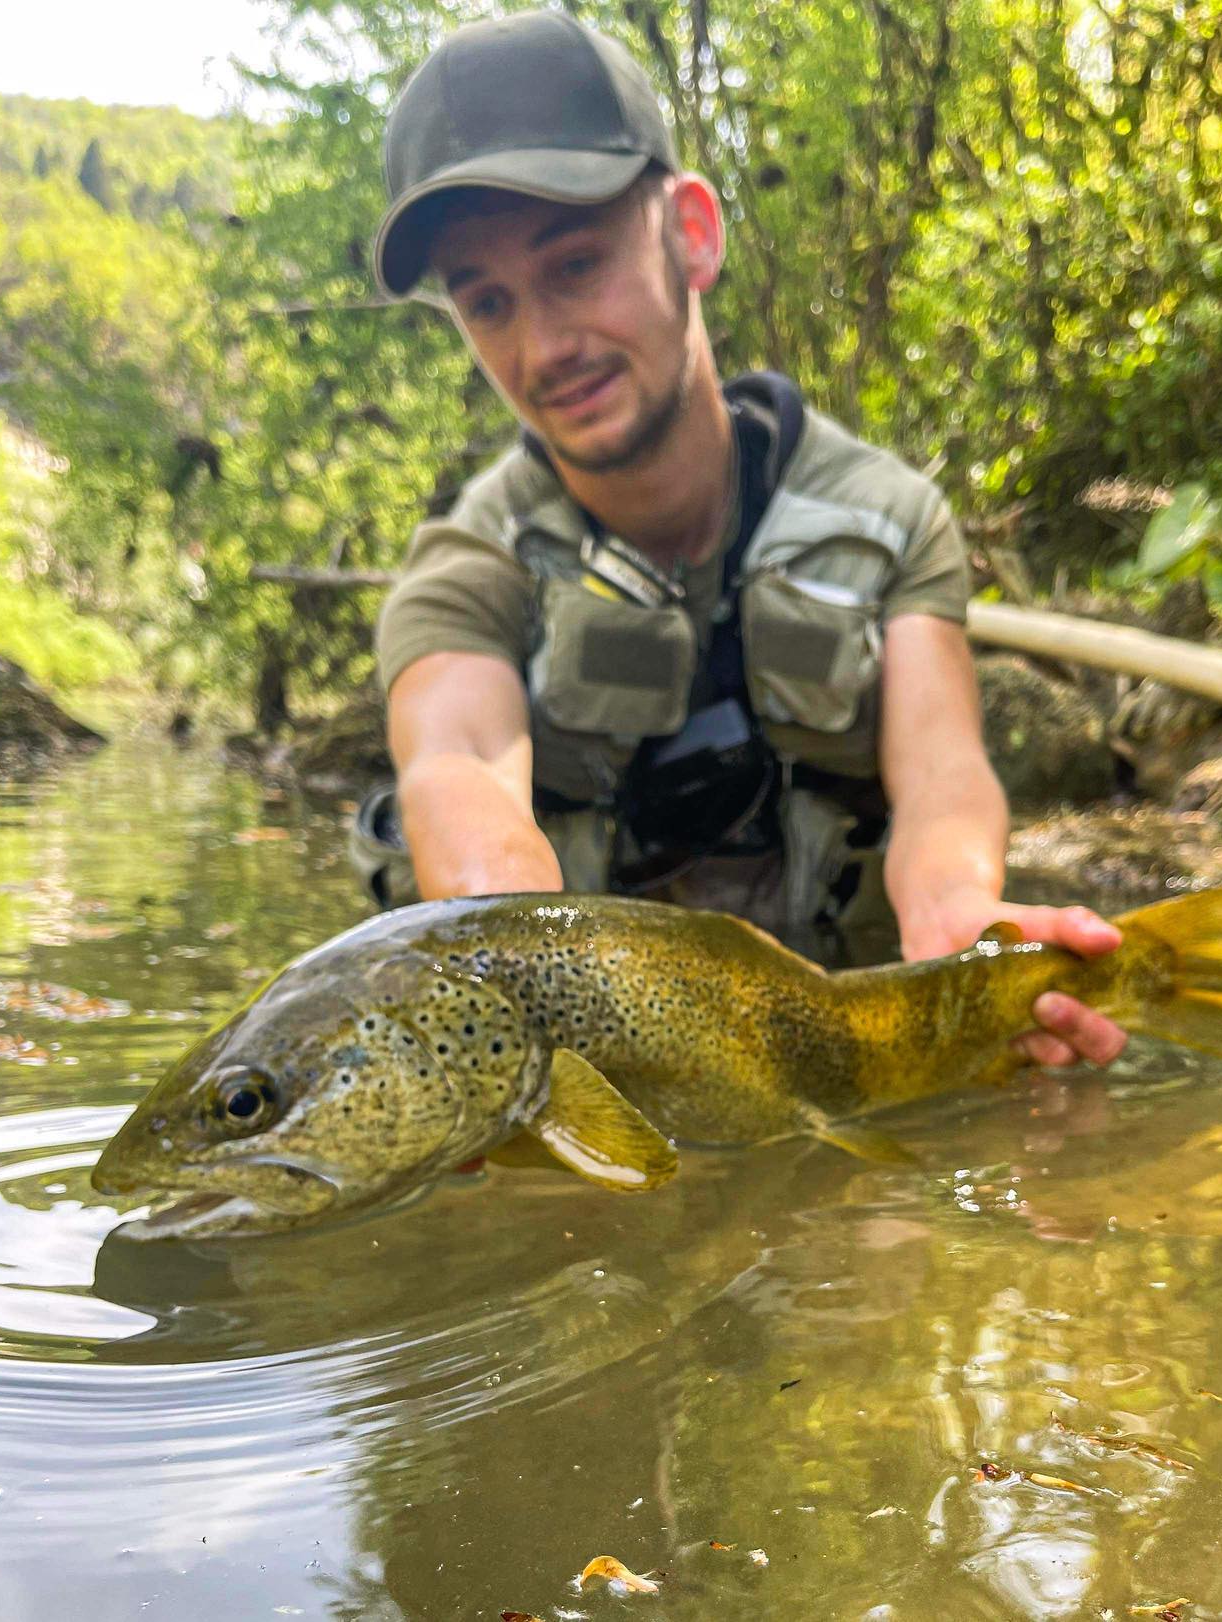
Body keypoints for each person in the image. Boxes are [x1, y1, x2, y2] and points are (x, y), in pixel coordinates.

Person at [356, 9, 1126, 1071]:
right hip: (617, 1063)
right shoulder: (466, 566)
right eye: (488, 302)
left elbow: (944, 773)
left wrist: (960, 920)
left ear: (694, 234)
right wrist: (518, 996)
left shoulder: (892, 518)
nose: (544, 345)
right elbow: (460, 767)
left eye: (575, 265)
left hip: (838, 1039)